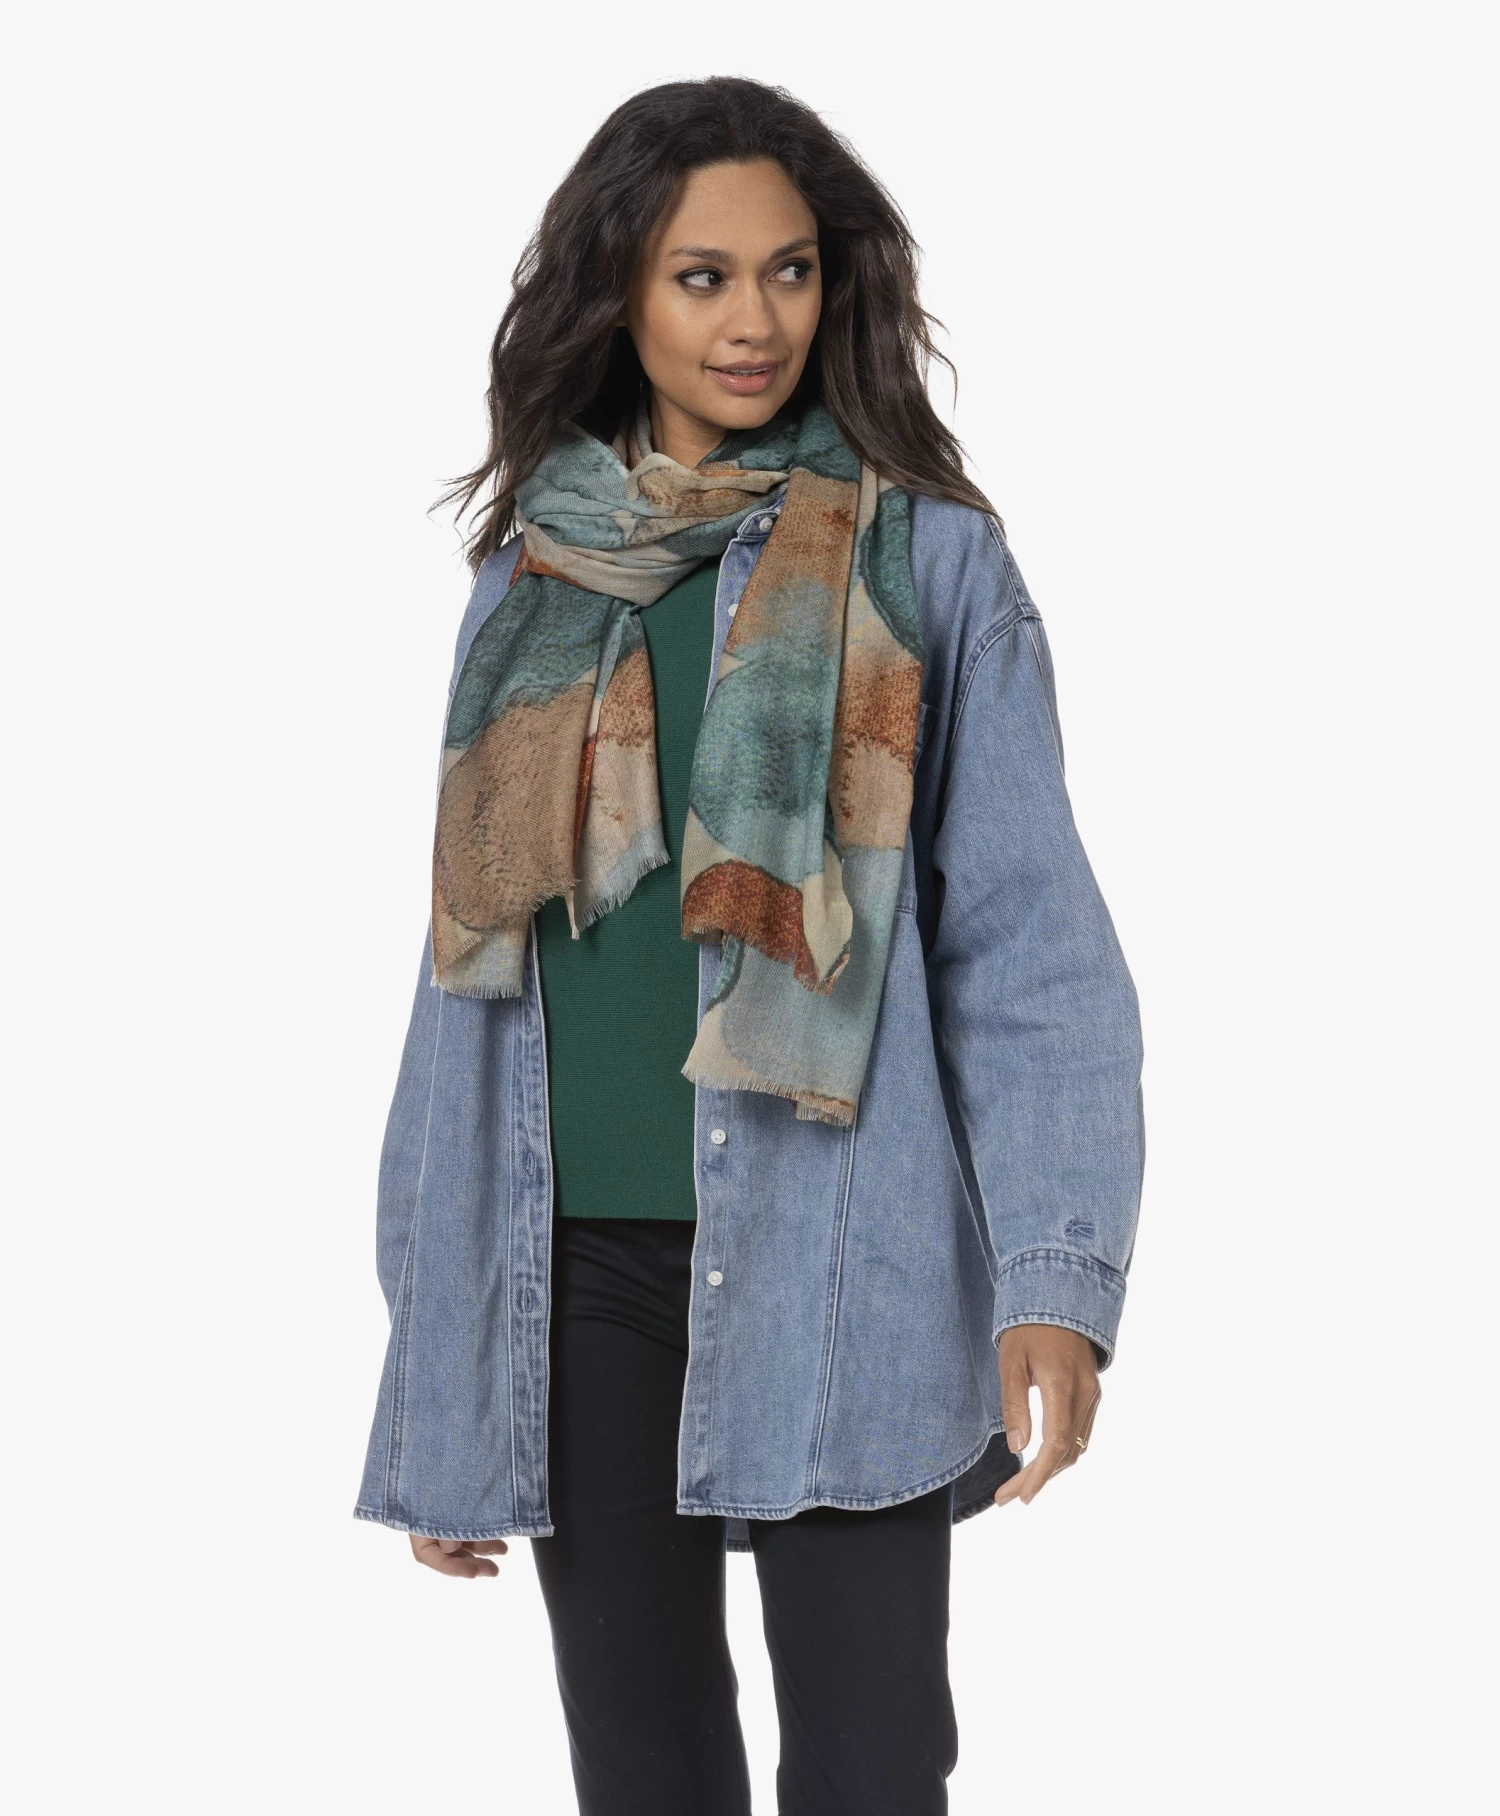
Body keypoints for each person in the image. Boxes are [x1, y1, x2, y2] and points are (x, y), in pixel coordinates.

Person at [355, 75, 1144, 1816]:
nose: (755, 320)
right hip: (573, 1272)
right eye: (702, 276)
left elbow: (1027, 945)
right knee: (642, 1771)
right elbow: (465, 991)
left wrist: (1056, 1281)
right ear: (618, 292)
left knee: (874, 1767)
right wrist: (441, 1352)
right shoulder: (531, 574)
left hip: (846, 1253)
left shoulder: (929, 561)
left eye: (789, 271)